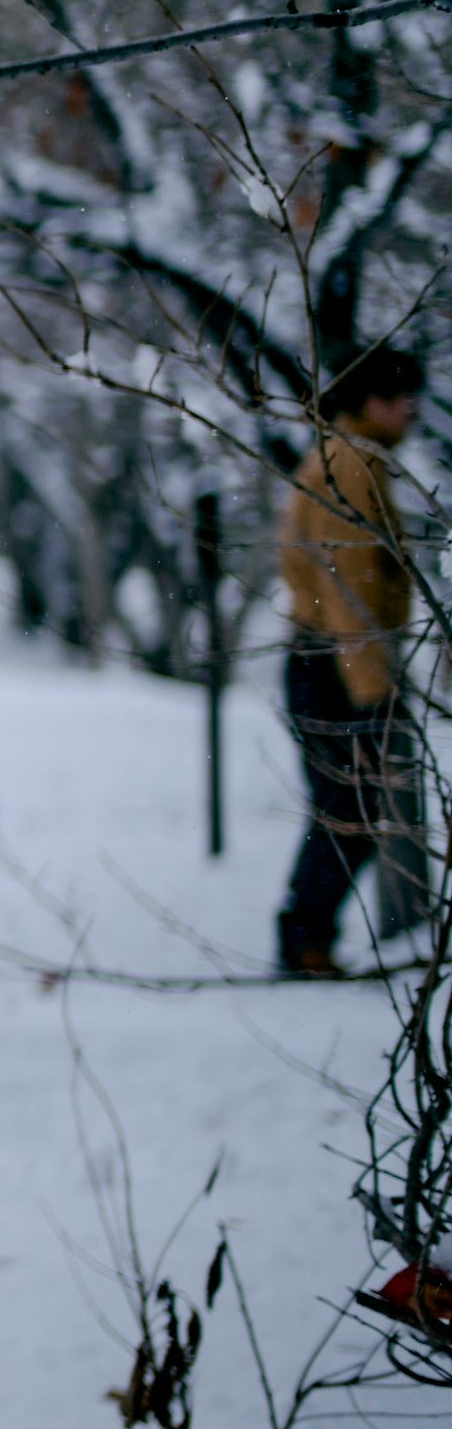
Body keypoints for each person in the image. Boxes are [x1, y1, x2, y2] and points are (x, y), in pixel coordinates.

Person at [277, 344, 430, 977]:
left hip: (322, 656)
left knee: (345, 807)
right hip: (336, 661)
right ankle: (306, 941)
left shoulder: (339, 454)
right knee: (352, 809)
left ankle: (307, 937)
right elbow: (352, 583)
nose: (413, 415)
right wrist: (373, 686)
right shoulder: (354, 464)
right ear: (375, 402)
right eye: (404, 401)